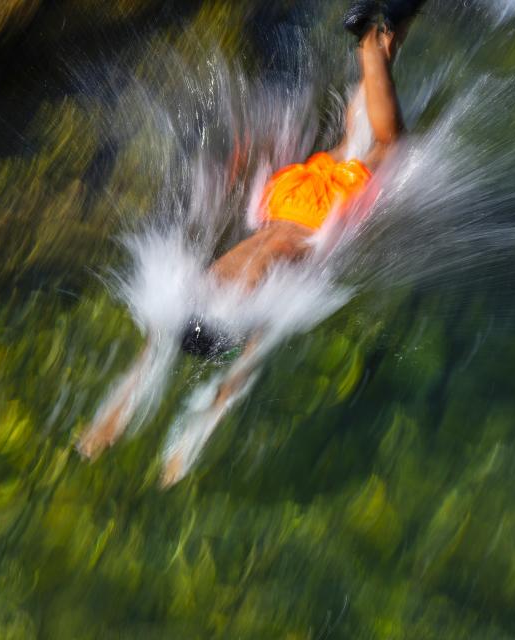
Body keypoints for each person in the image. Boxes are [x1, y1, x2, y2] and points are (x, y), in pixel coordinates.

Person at [77, 0, 427, 484]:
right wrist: (106, 423)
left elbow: (232, 386)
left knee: (388, 146)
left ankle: (371, 39)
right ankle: (396, 18)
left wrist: (187, 448)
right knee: (351, 140)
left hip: (319, 216)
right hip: (282, 199)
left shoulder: (256, 309)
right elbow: (145, 366)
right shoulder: (196, 290)